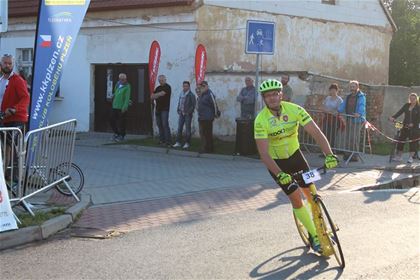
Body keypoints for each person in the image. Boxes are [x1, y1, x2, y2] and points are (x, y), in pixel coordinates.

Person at [254, 79, 338, 252]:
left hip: (297, 157)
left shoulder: (295, 110)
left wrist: (329, 155)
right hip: (277, 164)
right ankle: (314, 235)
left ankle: (322, 226)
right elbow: (264, 154)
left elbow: (316, 133)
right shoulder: (260, 120)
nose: (272, 98)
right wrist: (279, 174)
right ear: (264, 98)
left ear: (281, 94)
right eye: (268, 96)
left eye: (275, 94)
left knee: (312, 193)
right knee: (295, 197)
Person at [337, 80, 366, 162]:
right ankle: (347, 154)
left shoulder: (361, 96)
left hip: (357, 120)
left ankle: (354, 155)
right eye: (351, 87)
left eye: (353, 87)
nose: (352, 88)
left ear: (357, 87)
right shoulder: (348, 96)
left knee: (354, 137)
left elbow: (362, 105)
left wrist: (359, 113)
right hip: (349, 118)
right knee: (348, 137)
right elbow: (343, 104)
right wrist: (339, 110)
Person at [0, 54, 30, 131]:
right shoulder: (1, 80)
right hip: (3, 120)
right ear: (1, 64)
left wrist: (14, 109)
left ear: (13, 65)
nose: (7, 65)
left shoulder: (18, 80)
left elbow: (26, 98)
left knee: (12, 143)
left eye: (10, 63)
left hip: (16, 120)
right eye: (5, 63)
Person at [389, 93, 420, 163]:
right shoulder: (406, 105)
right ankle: (399, 157)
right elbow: (400, 112)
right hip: (405, 125)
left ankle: (410, 157)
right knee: (401, 140)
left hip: (414, 128)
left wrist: (414, 123)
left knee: (413, 142)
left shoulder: (418, 107)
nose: (412, 100)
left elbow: (419, 118)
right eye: (411, 98)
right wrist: (393, 117)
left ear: (416, 99)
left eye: (413, 99)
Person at [173, 81, 196, 149]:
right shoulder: (181, 93)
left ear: (189, 87)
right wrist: (178, 109)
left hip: (187, 114)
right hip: (181, 113)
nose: (185, 87)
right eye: (184, 86)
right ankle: (178, 142)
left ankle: (187, 143)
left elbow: (193, 105)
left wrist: (189, 112)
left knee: (187, 129)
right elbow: (180, 102)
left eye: (186, 86)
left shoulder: (191, 95)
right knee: (179, 128)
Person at [321, 83, 343, 150]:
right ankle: (325, 151)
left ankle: (332, 151)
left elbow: (339, 111)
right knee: (325, 134)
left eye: (334, 90)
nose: (332, 91)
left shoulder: (339, 100)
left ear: (337, 90)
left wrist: (329, 111)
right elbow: (323, 107)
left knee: (332, 135)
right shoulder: (328, 98)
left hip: (335, 120)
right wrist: (330, 112)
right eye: (331, 90)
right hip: (327, 118)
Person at [110, 73, 131, 142]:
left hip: (122, 107)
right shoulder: (118, 84)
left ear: (125, 79)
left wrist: (124, 107)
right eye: (120, 79)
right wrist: (113, 95)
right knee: (112, 120)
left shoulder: (127, 86)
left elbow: (127, 98)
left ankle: (122, 135)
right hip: (115, 105)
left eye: (123, 79)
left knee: (122, 122)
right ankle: (116, 133)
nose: (121, 80)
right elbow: (116, 92)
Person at [151, 75, 172, 146]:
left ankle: (168, 141)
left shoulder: (167, 87)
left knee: (165, 125)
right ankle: (161, 140)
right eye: (159, 80)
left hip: (165, 109)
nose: (161, 82)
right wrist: (158, 94)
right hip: (158, 109)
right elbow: (152, 96)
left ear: (165, 80)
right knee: (159, 125)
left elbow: (162, 93)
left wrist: (157, 95)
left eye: (162, 80)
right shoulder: (158, 88)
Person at [197, 80, 217, 153]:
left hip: (208, 117)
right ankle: (205, 148)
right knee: (203, 133)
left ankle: (209, 149)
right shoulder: (202, 94)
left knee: (208, 134)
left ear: (207, 86)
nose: (202, 87)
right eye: (202, 86)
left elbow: (214, 104)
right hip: (201, 117)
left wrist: (216, 114)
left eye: (204, 86)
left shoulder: (209, 94)